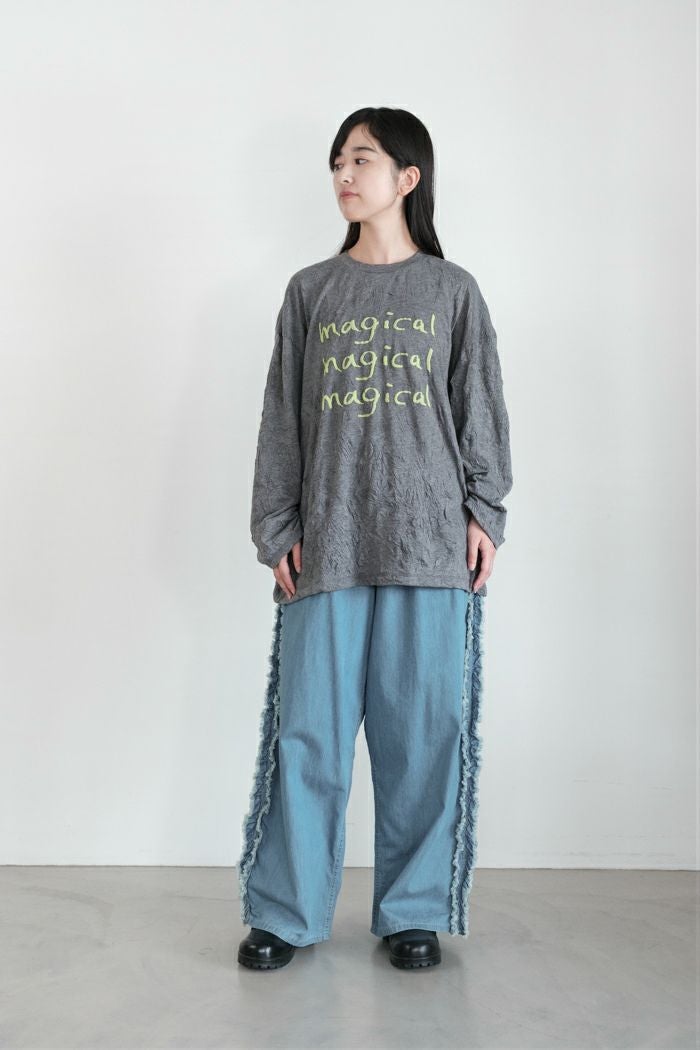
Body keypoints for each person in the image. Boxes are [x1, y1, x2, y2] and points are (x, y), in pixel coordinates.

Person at [236, 107, 513, 971]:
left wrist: (485, 512)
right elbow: (281, 419)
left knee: (423, 733)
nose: (344, 176)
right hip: (328, 542)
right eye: (338, 163)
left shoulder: (452, 290)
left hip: (430, 544)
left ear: (408, 176)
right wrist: (276, 527)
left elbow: (480, 406)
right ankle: (286, 912)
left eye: (361, 159)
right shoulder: (310, 291)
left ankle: (413, 911)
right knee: (307, 735)